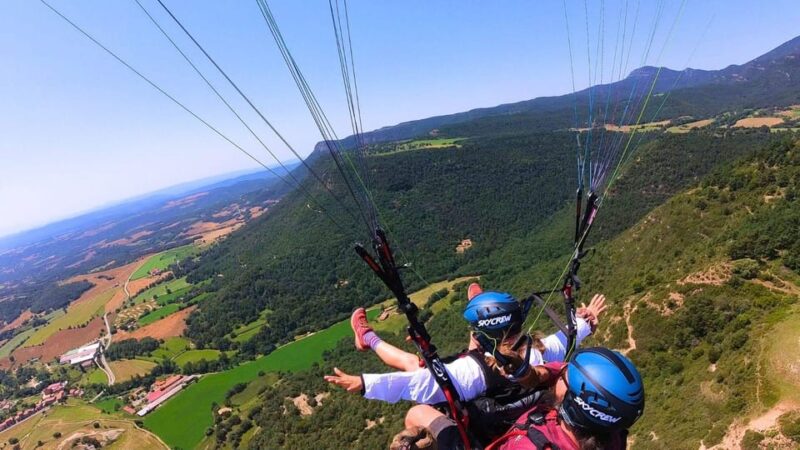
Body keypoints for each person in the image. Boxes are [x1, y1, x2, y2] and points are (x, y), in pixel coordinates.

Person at [324, 283, 608, 441]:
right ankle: (480, 302)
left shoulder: (473, 372)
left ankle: (368, 338)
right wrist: (587, 321)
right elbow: (569, 335)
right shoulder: (543, 352)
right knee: (425, 362)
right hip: (510, 413)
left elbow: (420, 386)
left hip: (477, 414)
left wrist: (364, 384)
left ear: (486, 336)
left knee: (414, 363)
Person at [395, 347, 645, 450]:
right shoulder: (610, 429)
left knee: (418, 414)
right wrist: (525, 372)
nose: (561, 371)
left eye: (566, 378)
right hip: (519, 430)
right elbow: (549, 374)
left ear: (575, 404)